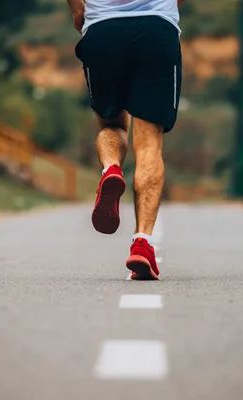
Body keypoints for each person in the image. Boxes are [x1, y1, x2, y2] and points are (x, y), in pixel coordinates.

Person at [67, 0, 186, 280]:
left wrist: (79, 15)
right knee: (149, 144)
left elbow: (78, 9)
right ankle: (142, 242)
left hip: (103, 29)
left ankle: (111, 167)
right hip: (157, 28)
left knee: (112, 124)